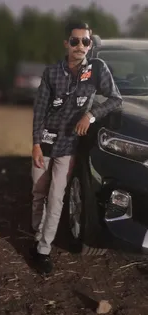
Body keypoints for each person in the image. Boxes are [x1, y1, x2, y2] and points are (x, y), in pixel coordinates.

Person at [31, 21, 122, 275]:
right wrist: (36, 144)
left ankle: (43, 249)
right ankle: (37, 235)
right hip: (46, 140)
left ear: (90, 45)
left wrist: (91, 115)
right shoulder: (51, 73)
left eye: (85, 41)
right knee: (38, 193)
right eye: (75, 41)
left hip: (69, 144)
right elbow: (39, 110)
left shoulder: (97, 69)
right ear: (66, 44)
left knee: (56, 196)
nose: (80, 46)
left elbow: (116, 99)